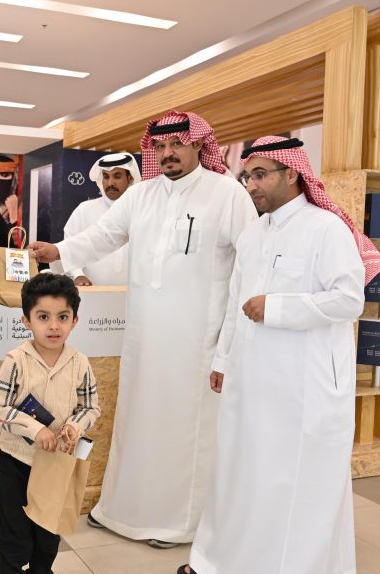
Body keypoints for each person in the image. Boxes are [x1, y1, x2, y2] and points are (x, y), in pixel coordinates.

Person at [30, 110, 258, 548]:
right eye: (161, 146)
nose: (168, 153)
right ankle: (126, 510)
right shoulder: (141, 196)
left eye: (177, 144)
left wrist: (229, 347)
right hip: (145, 336)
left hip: (196, 341)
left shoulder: (227, 194)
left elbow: (250, 265)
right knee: (140, 424)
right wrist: (57, 250)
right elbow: (102, 236)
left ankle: (179, 523)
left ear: (198, 144)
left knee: (185, 432)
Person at [178, 136, 380, 574]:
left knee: (293, 478)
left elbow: (349, 300)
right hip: (250, 376)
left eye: (260, 175)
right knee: (241, 469)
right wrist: (222, 360)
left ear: (292, 173)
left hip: (304, 383)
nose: (250, 185)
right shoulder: (253, 234)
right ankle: (223, 564)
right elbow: (236, 303)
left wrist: (277, 307)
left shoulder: (326, 229)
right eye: (246, 176)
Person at [0, 273, 101, 574]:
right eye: (43, 317)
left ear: (74, 320)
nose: (53, 326)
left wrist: (74, 427)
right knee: (15, 536)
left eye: (62, 317)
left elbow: (91, 407)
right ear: (26, 320)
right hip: (18, 463)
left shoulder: (80, 363)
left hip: (57, 466)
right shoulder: (16, 360)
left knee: (48, 534)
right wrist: (35, 430)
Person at [61, 153, 139, 286]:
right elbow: (69, 245)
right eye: (106, 176)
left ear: (130, 178)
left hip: (133, 292)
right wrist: (77, 275)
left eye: (117, 176)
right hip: (91, 291)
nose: (110, 183)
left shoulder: (141, 210)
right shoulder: (85, 209)